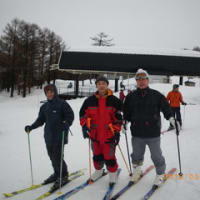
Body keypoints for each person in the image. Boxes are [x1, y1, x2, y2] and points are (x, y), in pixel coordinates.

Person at [123, 69, 176, 186]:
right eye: (139, 79)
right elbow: (126, 112)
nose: (141, 81)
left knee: (156, 155)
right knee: (136, 155)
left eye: (143, 79)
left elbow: (166, 108)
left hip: (153, 133)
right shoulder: (131, 97)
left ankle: (160, 174)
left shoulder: (156, 95)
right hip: (137, 133)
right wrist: (125, 121)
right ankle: (137, 170)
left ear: (148, 80)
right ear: (136, 81)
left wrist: (171, 118)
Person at [25, 84, 74, 189]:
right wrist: (31, 127)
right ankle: (57, 173)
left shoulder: (62, 104)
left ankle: (63, 175)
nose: (49, 94)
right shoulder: (44, 107)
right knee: (52, 157)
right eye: (47, 92)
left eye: (51, 91)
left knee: (57, 157)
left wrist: (66, 123)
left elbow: (70, 116)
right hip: (48, 136)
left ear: (55, 92)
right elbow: (40, 120)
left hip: (60, 136)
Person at [79, 76, 123, 186]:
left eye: (104, 83)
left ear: (107, 85)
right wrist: (84, 127)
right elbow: (82, 115)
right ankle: (99, 171)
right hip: (94, 134)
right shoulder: (89, 101)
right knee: (97, 155)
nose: (101, 85)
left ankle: (112, 174)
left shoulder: (114, 100)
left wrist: (117, 132)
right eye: (99, 83)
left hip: (109, 134)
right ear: (96, 86)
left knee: (109, 156)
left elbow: (119, 117)